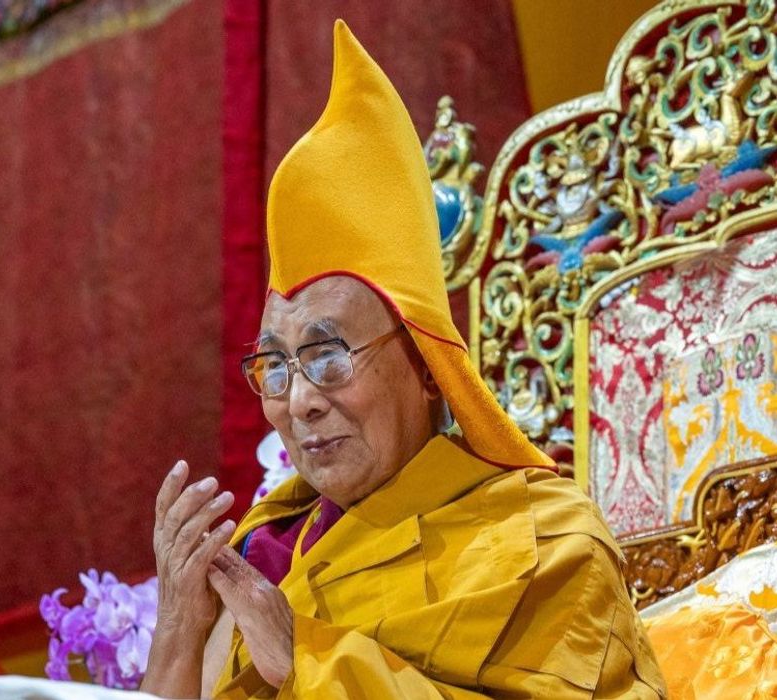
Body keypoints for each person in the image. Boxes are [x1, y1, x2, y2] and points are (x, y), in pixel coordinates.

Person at [140, 21, 667, 699]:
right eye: (275, 366)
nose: (297, 400)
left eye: (327, 358)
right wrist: (178, 627)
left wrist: (310, 661)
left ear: (424, 367)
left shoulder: (546, 542)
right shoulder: (265, 553)